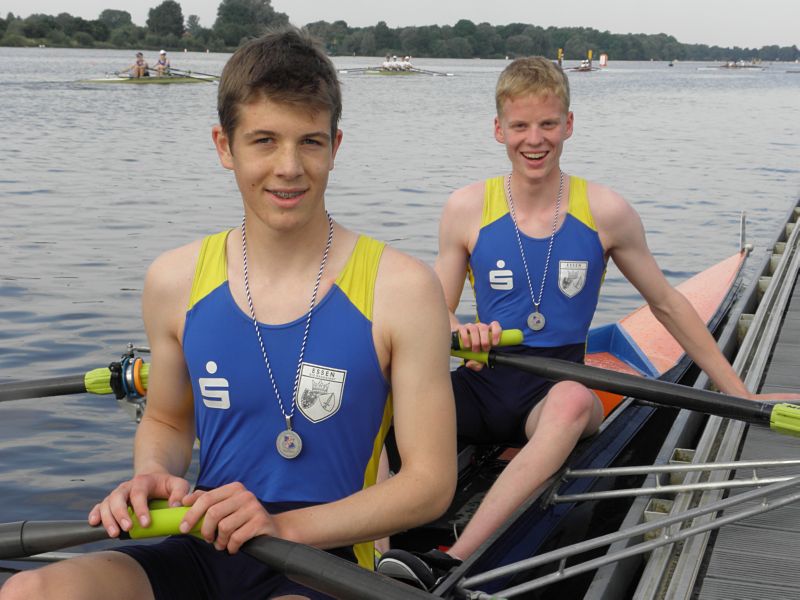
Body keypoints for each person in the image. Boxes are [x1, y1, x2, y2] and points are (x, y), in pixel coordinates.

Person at [0, 27, 457, 600]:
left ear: (335, 147)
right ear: (224, 146)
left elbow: (430, 484)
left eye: (310, 142)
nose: (289, 167)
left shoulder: (402, 289)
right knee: (32, 590)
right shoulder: (174, 281)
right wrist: (152, 475)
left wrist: (284, 529)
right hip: (205, 536)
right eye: (264, 140)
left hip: (326, 553)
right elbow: (168, 421)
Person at [376, 56, 800, 590]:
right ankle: (377, 552)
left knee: (575, 400)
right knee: (376, 395)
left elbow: (667, 304)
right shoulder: (465, 208)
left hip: (556, 390)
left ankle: (449, 560)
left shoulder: (606, 211)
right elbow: (435, 310)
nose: (535, 139)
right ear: (499, 130)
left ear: (569, 125)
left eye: (548, 124)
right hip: (484, 384)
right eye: (520, 126)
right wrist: (463, 331)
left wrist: (739, 395)